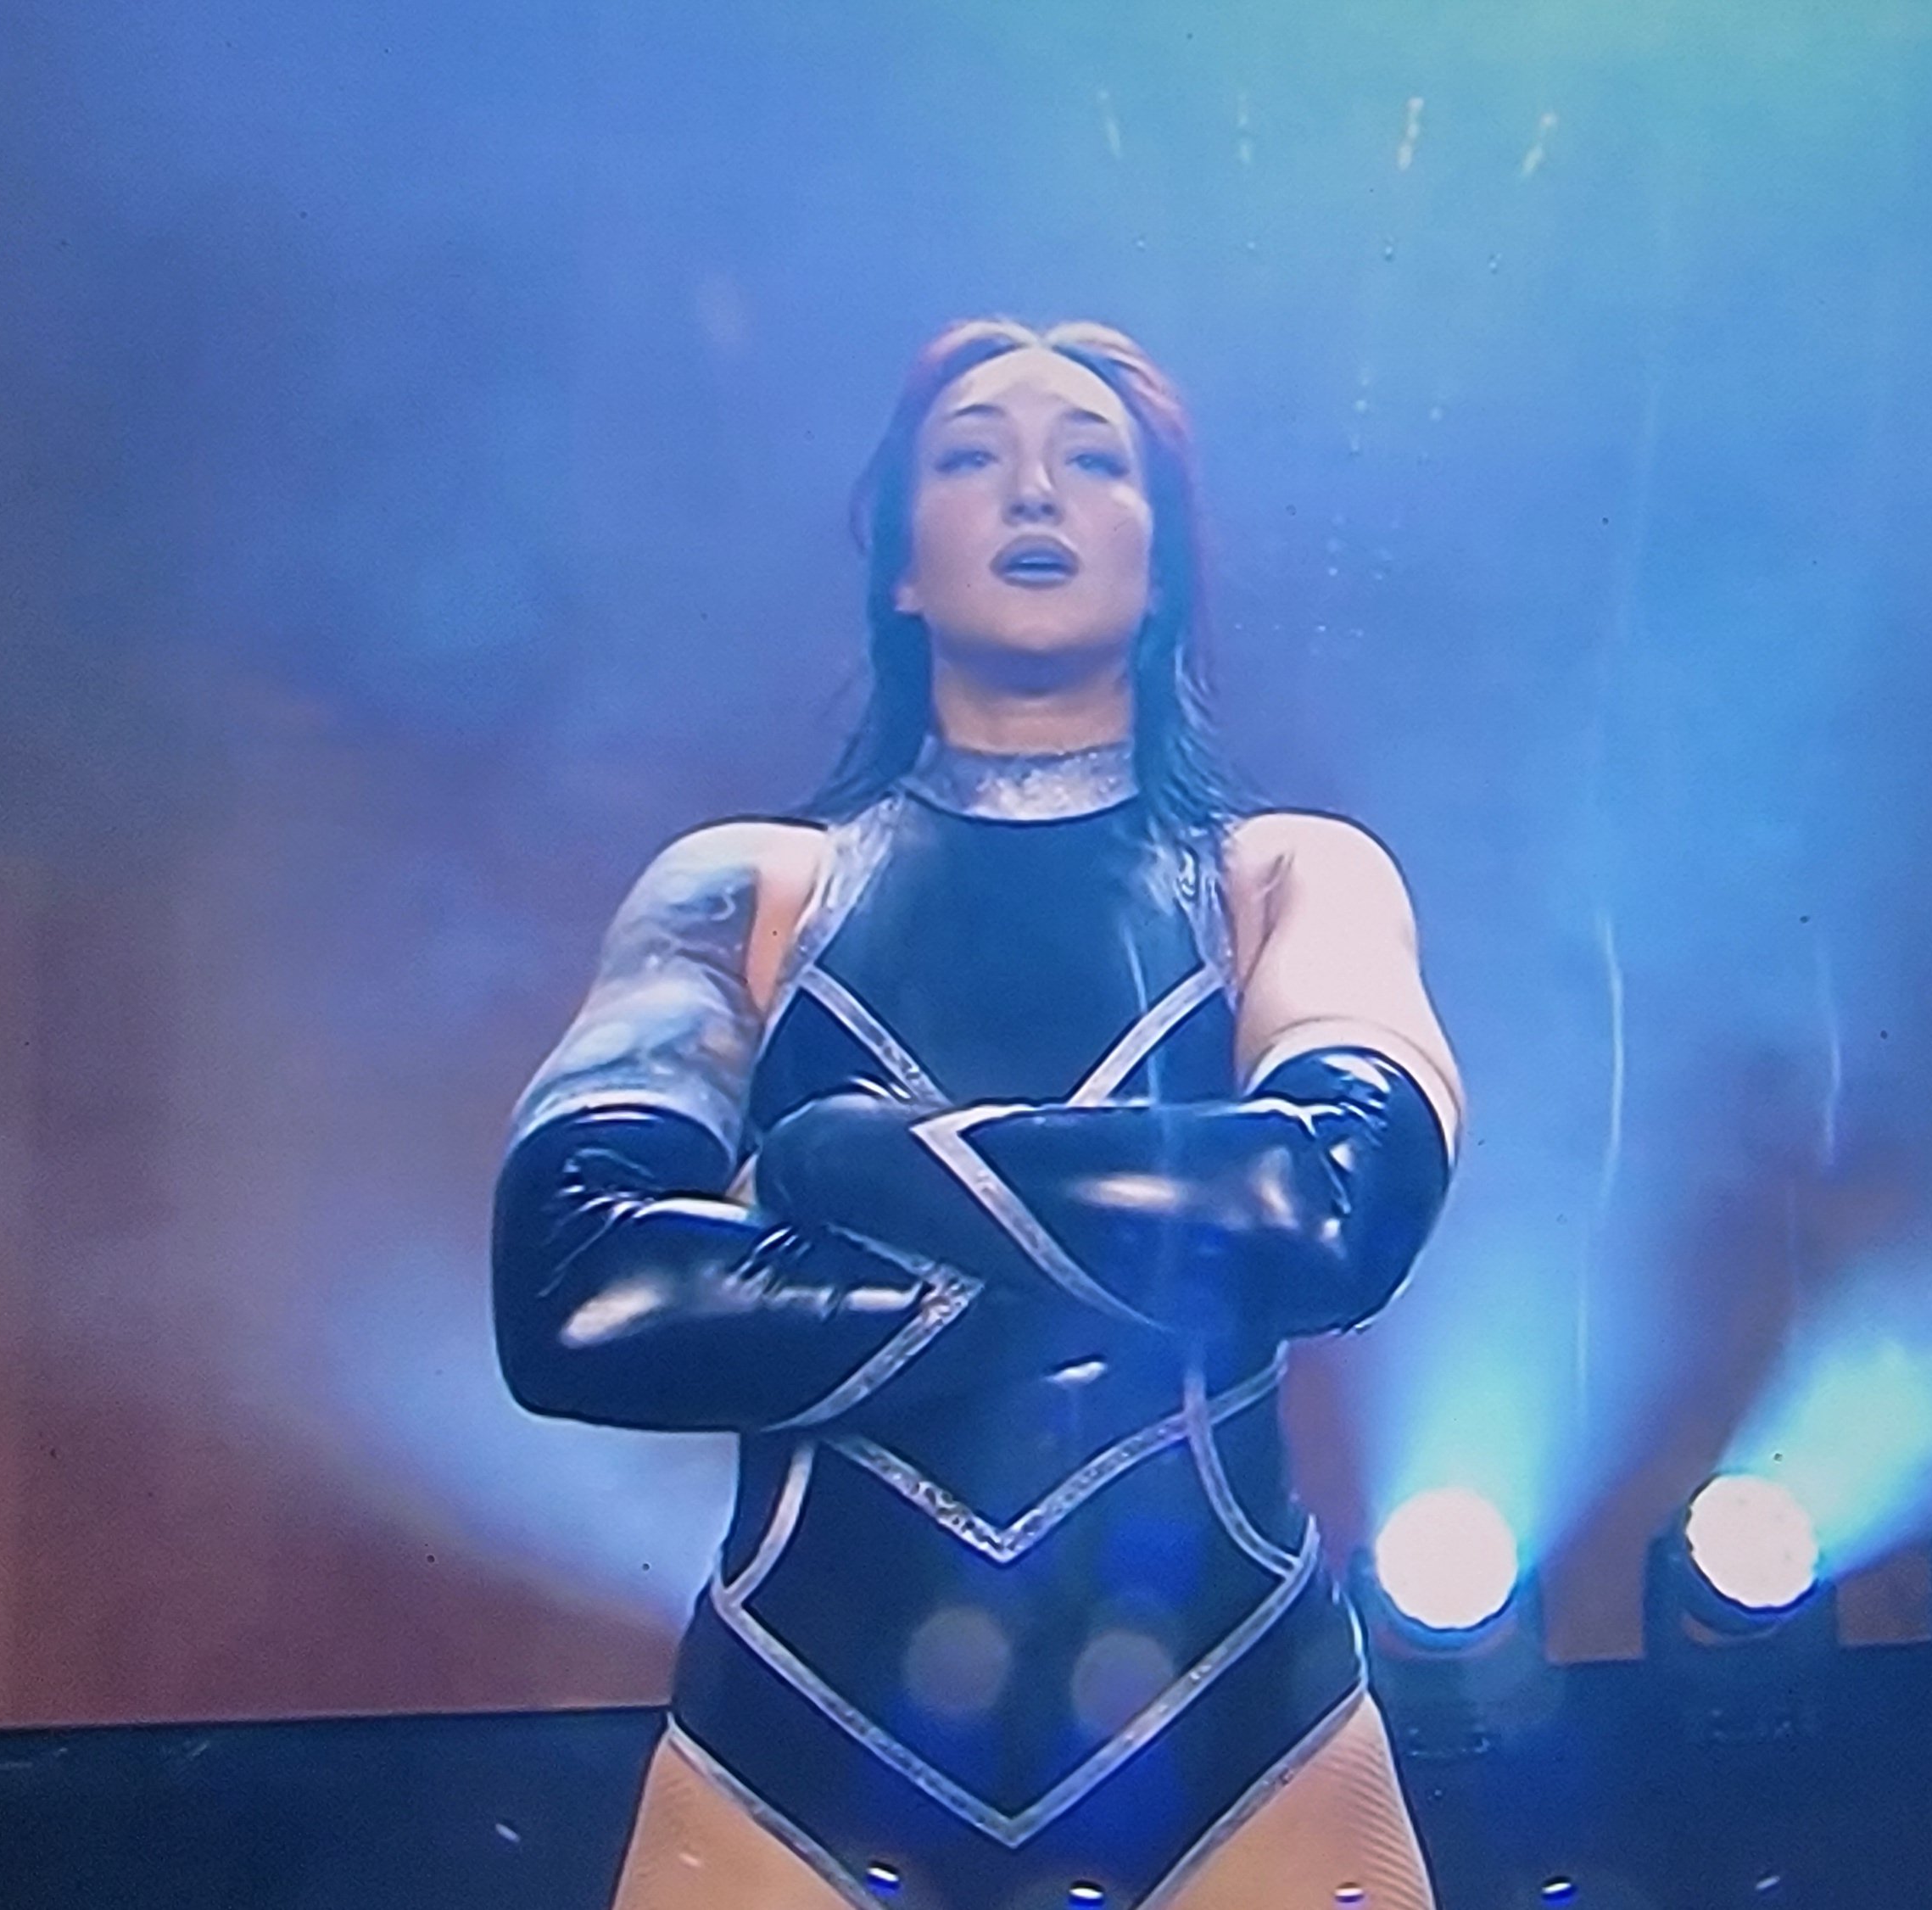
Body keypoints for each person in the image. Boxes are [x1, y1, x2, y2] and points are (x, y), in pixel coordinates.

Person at [494, 316, 1465, 1910]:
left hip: (1242, 1745)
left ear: (1163, 565)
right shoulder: (747, 891)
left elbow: (1327, 1212)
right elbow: (578, 1292)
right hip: (790, 1756)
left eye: (1093, 460)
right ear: (899, 563)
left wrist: (842, 1159)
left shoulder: (1286, 876)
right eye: (969, 456)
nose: (1033, 490)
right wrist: (1132, 1291)